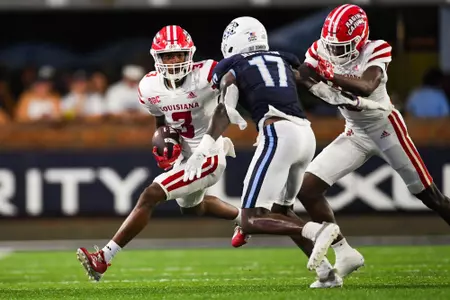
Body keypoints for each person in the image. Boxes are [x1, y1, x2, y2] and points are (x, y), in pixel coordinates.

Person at [288, 3, 450, 287]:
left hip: (387, 129)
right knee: (308, 189)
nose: (335, 53)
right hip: (355, 132)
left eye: (342, 47)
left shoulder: (376, 48)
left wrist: (326, 74)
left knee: (431, 197)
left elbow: (365, 85)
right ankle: (345, 252)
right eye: (331, 47)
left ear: (360, 39)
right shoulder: (322, 49)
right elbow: (302, 74)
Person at [76, 25, 244, 282]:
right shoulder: (149, 87)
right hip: (184, 156)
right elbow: (161, 122)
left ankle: (104, 258)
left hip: (208, 154)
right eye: (168, 56)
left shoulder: (207, 73)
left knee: (150, 194)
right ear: (157, 58)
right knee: (192, 208)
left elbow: (237, 78)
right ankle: (247, 218)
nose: (174, 60)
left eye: (178, 54)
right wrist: (165, 143)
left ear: (190, 54)